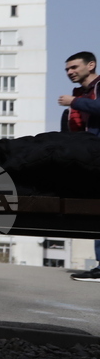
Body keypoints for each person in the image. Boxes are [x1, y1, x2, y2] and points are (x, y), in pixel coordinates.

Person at [58, 52, 100, 280]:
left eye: (74, 67)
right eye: (67, 69)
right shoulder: (79, 96)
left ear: (91, 65)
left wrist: (73, 102)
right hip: (89, 160)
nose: (70, 72)